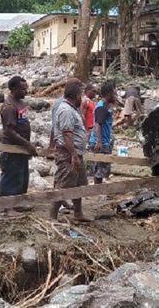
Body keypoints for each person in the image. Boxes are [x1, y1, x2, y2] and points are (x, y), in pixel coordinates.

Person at [50, 82, 93, 222]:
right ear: (76, 95)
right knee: (63, 185)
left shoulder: (72, 108)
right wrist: (73, 155)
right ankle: (52, 217)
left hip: (75, 153)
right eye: (81, 94)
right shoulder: (66, 110)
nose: (82, 97)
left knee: (78, 184)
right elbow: (66, 135)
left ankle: (78, 213)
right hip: (68, 154)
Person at [0, 76, 37, 215]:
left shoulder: (20, 103)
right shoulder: (9, 107)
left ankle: (18, 203)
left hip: (21, 148)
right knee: (11, 176)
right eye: (23, 89)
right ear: (13, 89)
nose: (25, 92)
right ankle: (8, 207)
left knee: (22, 176)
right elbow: (9, 131)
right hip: (12, 148)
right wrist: (27, 144)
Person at [88, 83, 118, 184]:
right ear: (109, 94)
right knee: (99, 171)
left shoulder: (105, 106)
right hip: (100, 143)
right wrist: (99, 142)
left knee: (101, 169)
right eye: (115, 94)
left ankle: (98, 190)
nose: (116, 96)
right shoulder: (102, 108)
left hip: (104, 142)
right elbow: (97, 125)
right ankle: (97, 192)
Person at [49, 78, 83, 149]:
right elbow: (56, 127)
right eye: (79, 88)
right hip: (67, 149)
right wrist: (51, 147)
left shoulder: (74, 104)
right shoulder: (63, 106)